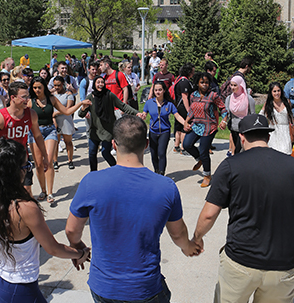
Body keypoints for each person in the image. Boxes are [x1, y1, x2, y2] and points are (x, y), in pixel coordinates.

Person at [191, 113, 294, 303]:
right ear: (268, 137)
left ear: (241, 137)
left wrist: (196, 238)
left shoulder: (230, 166)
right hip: (284, 263)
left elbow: (209, 215)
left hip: (241, 261)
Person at [65, 115, 199, 303]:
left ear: (113, 144)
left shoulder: (91, 182)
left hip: (104, 287)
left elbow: (71, 229)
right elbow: (178, 235)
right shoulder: (166, 187)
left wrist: (78, 247)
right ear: (146, 144)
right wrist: (189, 247)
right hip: (145, 288)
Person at [0, 138, 90, 303]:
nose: (28, 171)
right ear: (13, 172)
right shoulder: (25, 208)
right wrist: (80, 253)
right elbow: (53, 248)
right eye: (26, 166)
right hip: (20, 288)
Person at [0, 81, 49, 197]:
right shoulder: (0, 117)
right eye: (24, 97)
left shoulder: (31, 114)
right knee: (7, 195)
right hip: (4, 161)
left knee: (27, 193)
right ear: (13, 97)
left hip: (22, 160)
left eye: (28, 96)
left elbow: (38, 136)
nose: (28, 99)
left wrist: (45, 156)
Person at [28, 77, 88, 203]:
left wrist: (80, 104)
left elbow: (66, 111)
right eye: (34, 88)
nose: (37, 90)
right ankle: (43, 190)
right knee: (38, 164)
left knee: (48, 161)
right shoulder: (30, 102)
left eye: (39, 87)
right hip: (35, 132)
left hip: (50, 130)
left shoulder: (52, 99)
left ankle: (50, 193)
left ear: (44, 87)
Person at [78, 76, 141, 171]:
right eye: (98, 82)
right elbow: (81, 114)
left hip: (107, 130)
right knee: (92, 153)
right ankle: (93, 173)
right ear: (94, 84)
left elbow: (123, 106)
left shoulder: (109, 95)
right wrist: (83, 108)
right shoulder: (90, 97)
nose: (100, 84)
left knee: (105, 153)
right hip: (95, 130)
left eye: (102, 82)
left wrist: (136, 113)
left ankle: (117, 170)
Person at [183, 72, 226, 187]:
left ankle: (207, 175)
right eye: (202, 82)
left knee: (204, 151)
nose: (204, 85)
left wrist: (224, 120)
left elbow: (223, 108)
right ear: (197, 83)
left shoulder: (213, 95)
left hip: (209, 126)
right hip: (196, 125)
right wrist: (186, 121)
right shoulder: (193, 95)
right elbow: (192, 110)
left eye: (206, 82)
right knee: (186, 144)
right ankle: (200, 159)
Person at [143, 81, 185, 175]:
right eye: (156, 90)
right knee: (153, 154)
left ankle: (161, 173)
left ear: (164, 91)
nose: (157, 92)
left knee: (161, 153)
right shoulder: (149, 103)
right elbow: (144, 114)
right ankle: (156, 171)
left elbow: (177, 116)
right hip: (153, 132)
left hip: (164, 132)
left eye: (160, 90)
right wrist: (142, 116)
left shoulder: (169, 104)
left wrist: (185, 123)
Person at [221, 75, 255, 155]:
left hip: (245, 128)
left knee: (240, 150)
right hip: (234, 128)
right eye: (231, 85)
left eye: (235, 85)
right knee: (236, 149)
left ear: (240, 85)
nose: (232, 87)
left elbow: (253, 114)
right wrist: (224, 122)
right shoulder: (229, 98)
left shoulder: (248, 99)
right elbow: (227, 113)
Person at [52, 76, 80, 170]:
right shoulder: (52, 95)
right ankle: (55, 160)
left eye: (58, 85)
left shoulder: (68, 94)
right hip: (55, 120)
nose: (56, 87)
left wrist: (56, 113)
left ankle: (70, 160)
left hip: (66, 120)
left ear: (63, 84)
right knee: (55, 142)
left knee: (68, 142)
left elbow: (68, 109)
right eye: (55, 85)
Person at [259, 82, 294, 155]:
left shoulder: (287, 102)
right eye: (274, 91)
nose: (277, 93)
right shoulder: (268, 103)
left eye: (278, 90)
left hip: (285, 131)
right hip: (273, 131)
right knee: (274, 154)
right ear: (271, 92)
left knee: (286, 154)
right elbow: (261, 115)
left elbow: (290, 116)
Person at [173, 63, 195, 155]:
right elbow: (184, 97)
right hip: (183, 107)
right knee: (184, 127)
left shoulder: (179, 79)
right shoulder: (184, 82)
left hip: (178, 106)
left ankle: (176, 145)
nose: (193, 73)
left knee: (178, 126)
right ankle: (183, 148)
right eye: (192, 71)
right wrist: (189, 110)